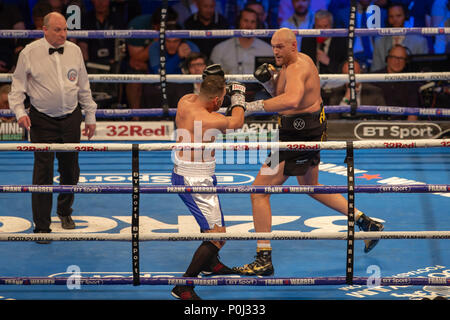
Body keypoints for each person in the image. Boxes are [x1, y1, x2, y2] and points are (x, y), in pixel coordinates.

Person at [232, 28, 384, 276]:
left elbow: (291, 100)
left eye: (280, 47)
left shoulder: (299, 67)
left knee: (259, 191)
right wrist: (269, 82)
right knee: (310, 185)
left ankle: (263, 258)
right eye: (273, 46)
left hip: (299, 135)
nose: (275, 51)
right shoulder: (290, 65)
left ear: (293, 46)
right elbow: (284, 95)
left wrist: (249, 106)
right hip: (306, 129)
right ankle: (365, 221)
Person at [8, 12, 97, 243]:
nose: (63, 34)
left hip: (71, 118)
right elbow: (16, 88)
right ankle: (41, 226)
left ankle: (65, 212)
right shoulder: (29, 53)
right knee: (42, 174)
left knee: (70, 171)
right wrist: (19, 113)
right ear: (44, 29)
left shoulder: (75, 51)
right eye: (58, 30)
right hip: (42, 120)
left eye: (65, 29)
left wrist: (90, 115)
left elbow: (83, 85)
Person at [170, 65, 246, 300]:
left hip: (193, 172)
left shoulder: (185, 101)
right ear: (215, 100)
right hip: (194, 178)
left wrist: (217, 82)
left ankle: (210, 264)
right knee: (218, 235)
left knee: (213, 228)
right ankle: (184, 285)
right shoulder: (210, 118)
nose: (222, 103)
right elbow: (237, 121)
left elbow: (204, 92)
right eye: (221, 99)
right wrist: (238, 95)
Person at [370, 2, 429, 72]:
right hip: (385, 81)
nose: (395, 19)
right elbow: (376, 70)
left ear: (405, 16)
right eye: (391, 16)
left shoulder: (420, 41)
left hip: (411, 81)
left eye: (398, 16)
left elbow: (422, 71)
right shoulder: (379, 41)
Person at [372, 44, 421, 121]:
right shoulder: (374, 79)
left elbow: (413, 114)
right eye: (394, 57)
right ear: (387, 59)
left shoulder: (410, 83)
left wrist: (407, 130)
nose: (397, 61)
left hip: (402, 127)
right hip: (376, 125)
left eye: (401, 58)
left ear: (406, 62)